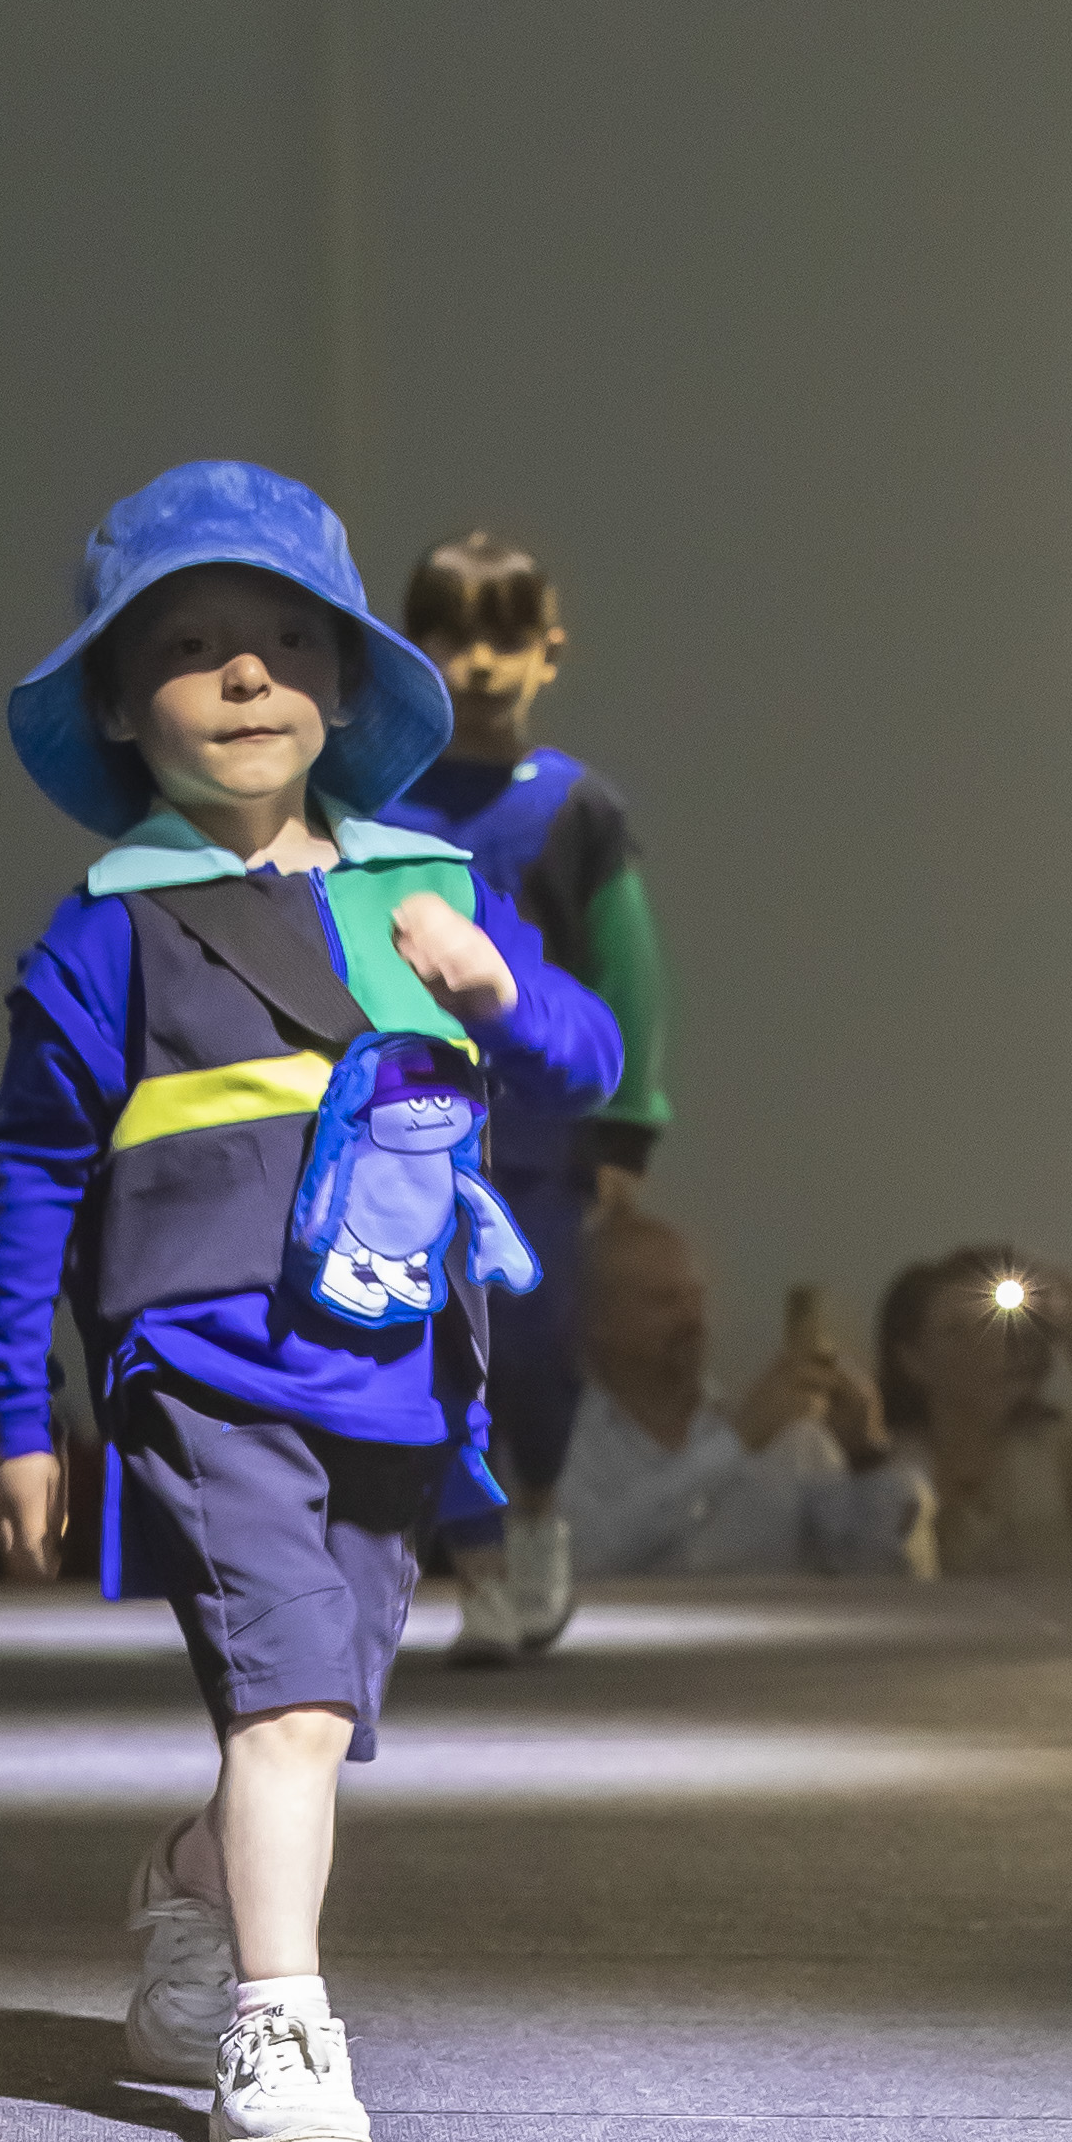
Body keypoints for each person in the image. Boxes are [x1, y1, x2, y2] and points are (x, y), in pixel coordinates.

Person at [0, 459, 622, 2142]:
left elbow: (589, 1057)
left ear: (344, 683)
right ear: (121, 703)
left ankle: (195, 1884)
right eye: (188, 643)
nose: (246, 672)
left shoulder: (425, 885)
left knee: (318, 1706)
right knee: (289, 1703)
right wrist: (16, 1413)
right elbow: (32, 1173)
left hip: (402, 1368)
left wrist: (500, 986)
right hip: (200, 1365)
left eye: (285, 638)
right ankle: (281, 2018)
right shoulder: (107, 933)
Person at [383, 530, 672, 1662]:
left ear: (550, 650)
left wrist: (626, 1127)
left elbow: (625, 971)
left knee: (537, 1341)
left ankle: (539, 1512)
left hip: (542, 1128)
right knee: (426, 1346)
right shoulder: (372, 805)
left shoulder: (575, 807)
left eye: (505, 638)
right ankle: (482, 1576)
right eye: (451, 637)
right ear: (411, 649)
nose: (479, 664)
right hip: (402, 1121)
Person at [559, 1216, 929, 1576]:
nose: (693, 1319)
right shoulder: (561, 1444)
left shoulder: (792, 1439)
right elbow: (581, 1556)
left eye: (696, 1298)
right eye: (664, 1301)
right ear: (596, 1320)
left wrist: (867, 1458)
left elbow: (878, 1576)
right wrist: (736, 1443)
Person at [877, 1245, 1072, 1577]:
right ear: (913, 1360)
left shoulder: (1054, 1450)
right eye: (955, 1331)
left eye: (994, 1324)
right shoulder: (889, 1466)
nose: (988, 1344)